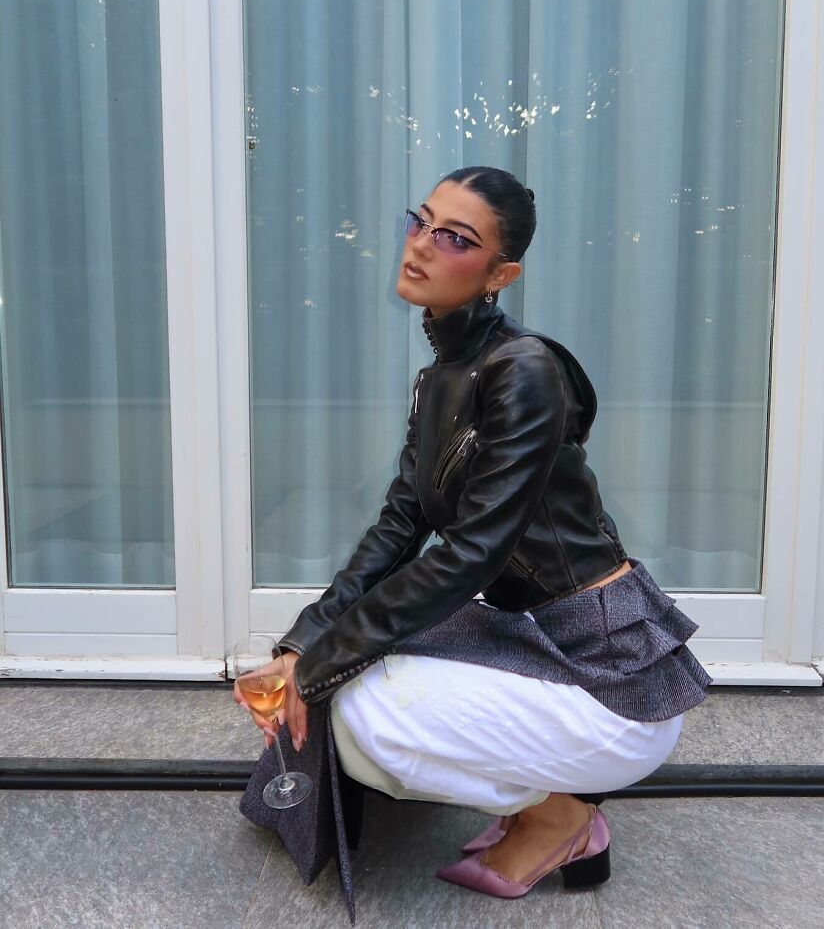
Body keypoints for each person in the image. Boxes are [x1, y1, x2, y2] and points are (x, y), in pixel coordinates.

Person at [234, 166, 711, 899]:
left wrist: (323, 663)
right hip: (538, 641)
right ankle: (543, 804)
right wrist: (305, 642)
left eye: (455, 237)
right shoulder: (440, 379)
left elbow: (471, 554)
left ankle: (561, 817)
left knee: (363, 711)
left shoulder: (525, 370)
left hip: (609, 676)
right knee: (345, 674)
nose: (422, 244)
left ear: (500, 275)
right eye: (420, 221)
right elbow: (400, 526)